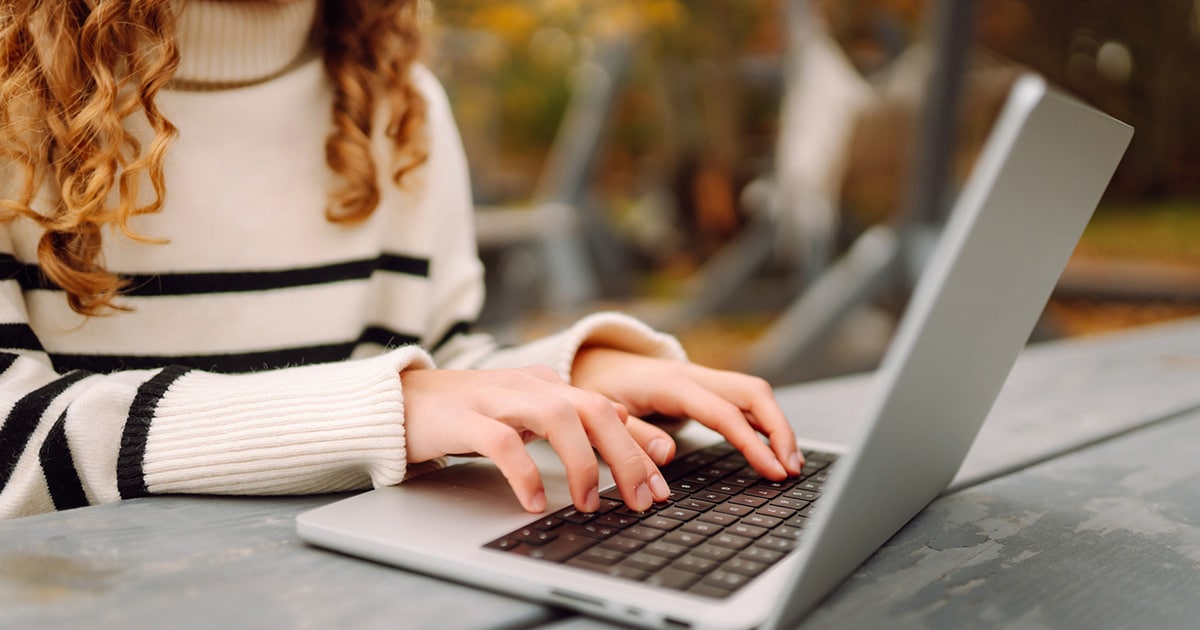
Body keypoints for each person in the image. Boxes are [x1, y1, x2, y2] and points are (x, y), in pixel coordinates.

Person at [0, 0, 802, 521]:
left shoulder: (399, 100)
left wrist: (571, 377)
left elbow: (432, 366)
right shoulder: (14, 95)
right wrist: (383, 406)